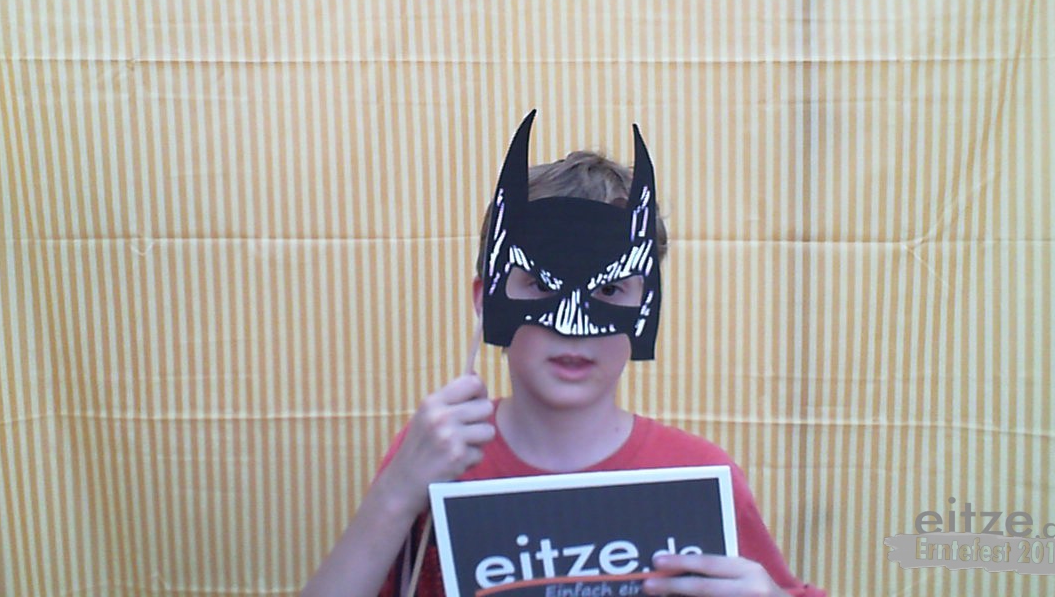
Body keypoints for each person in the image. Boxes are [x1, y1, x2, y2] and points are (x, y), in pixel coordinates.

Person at [302, 112, 823, 597]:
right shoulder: (435, 458)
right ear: (487, 300)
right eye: (540, 285)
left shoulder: (699, 475)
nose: (573, 328)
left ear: (646, 306)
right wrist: (396, 494)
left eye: (610, 290)